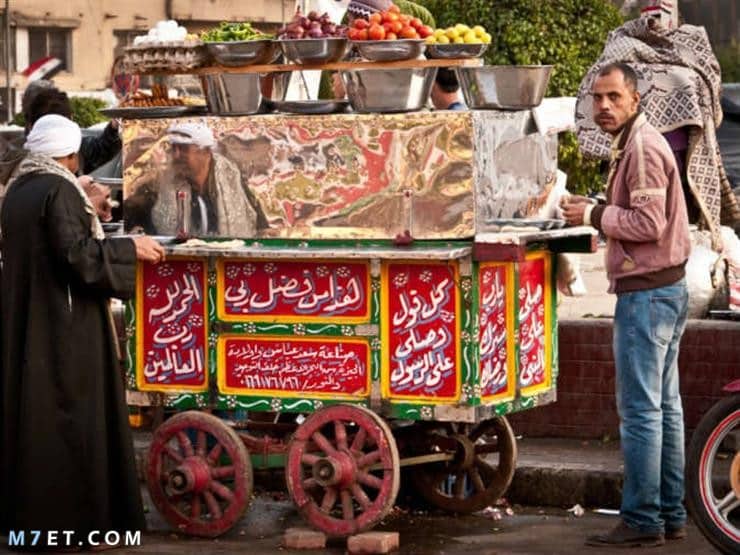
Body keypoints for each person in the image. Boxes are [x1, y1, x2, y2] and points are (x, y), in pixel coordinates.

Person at [0, 114, 165, 549]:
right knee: (71, 420)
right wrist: (129, 247)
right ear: (69, 154)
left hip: (33, 322)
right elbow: (78, 257)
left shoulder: (21, 186)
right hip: (64, 328)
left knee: (39, 421)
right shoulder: (58, 189)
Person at [562, 63, 691, 548]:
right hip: (664, 290)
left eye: (614, 97)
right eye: (597, 98)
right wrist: (595, 207)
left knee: (641, 412)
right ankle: (670, 514)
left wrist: (595, 214)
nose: (604, 107)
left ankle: (642, 519)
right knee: (664, 408)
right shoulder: (637, 143)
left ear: (635, 99)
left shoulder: (642, 147)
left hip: (648, 295)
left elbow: (648, 224)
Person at [125, 121, 267, 237]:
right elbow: (132, 221)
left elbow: (259, 225)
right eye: (173, 149)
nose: (175, 156)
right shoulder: (159, 186)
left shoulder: (231, 181)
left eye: (183, 149)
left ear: (205, 152)